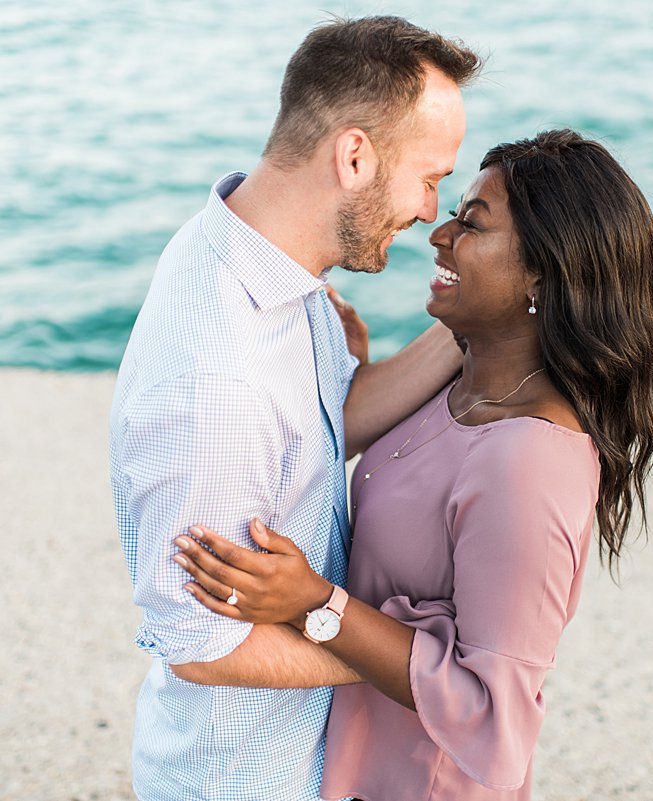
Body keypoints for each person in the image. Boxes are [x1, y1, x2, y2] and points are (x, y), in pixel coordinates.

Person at [173, 129, 653, 800]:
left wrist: (314, 604)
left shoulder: (528, 461)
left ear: (542, 276)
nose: (439, 233)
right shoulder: (464, 378)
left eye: (472, 223)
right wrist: (347, 373)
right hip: (350, 766)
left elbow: (494, 713)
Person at [108, 16, 481, 801]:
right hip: (245, 778)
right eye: (429, 177)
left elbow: (318, 424)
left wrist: (474, 326)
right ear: (354, 155)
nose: (431, 211)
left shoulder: (269, 259)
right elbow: (199, 644)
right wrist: (403, 661)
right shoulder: (216, 376)